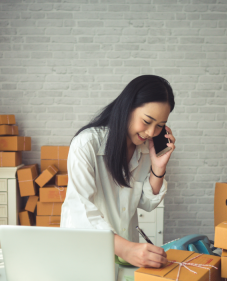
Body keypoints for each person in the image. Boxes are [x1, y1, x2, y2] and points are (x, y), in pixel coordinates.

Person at [60, 75, 176, 268]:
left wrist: (158, 167)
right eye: (147, 121)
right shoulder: (86, 144)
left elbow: (147, 203)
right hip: (86, 254)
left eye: (160, 126)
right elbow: (80, 211)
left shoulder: (146, 149)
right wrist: (127, 249)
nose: (150, 132)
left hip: (124, 258)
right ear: (127, 107)